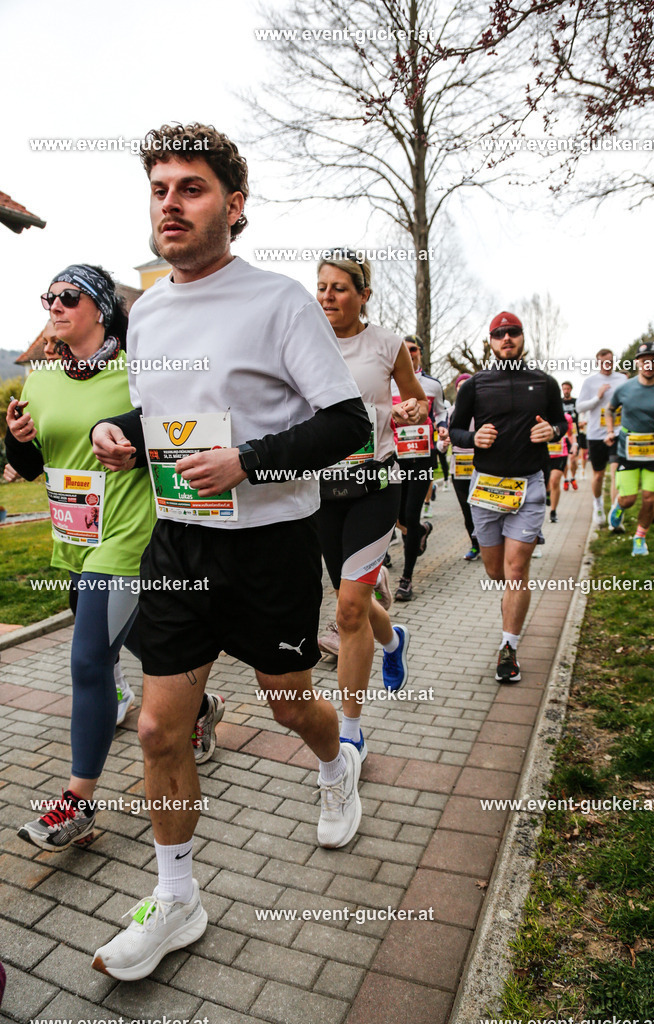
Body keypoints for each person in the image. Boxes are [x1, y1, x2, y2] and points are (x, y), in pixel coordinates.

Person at [89, 123, 371, 981]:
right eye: (159, 189)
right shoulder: (149, 312)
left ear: (234, 206)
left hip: (270, 547)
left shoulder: (279, 301)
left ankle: (338, 762)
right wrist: (121, 430)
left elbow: (344, 423)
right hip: (179, 543)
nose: (169, 204)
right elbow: (170, 412)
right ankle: (177, 899)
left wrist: (248, 461)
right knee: (156, 726)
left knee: (289, 705)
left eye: (191, 188)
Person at [4, 264, 156, 851]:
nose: (56, 306)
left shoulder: (136, 369)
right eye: (50, 296)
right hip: (72, 537)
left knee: (89, 661)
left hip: (126, 532)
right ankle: (196, 703)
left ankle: (77, 800)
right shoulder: (40, 377)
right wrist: (16, 437)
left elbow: (171, 429)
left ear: (101, 309)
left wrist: (133, 444)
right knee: (129, 638)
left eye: (69, 296)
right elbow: (39, 458)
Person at [315, 251, 427, 757]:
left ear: (363, 295)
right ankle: (394, 640)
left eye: (339, 288)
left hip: (374, 487)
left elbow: (416, 400)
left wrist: (408, 409)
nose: (328, 297)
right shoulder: (305, 343)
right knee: (351, 600)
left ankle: (351, 730)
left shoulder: (387, 343)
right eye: (321, 287)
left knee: (349, 611)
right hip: (320, 492)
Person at [450, 311, 566, 682]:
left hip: (530, 485)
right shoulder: (476, 385)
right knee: (496, 571)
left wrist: (552, 430)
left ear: (521, 337)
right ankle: (515, 583)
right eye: (499, 334)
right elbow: (453, 429)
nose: (506, 338)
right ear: (491, 341)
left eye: (513, 332)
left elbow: (562, 424)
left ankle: (508, 648)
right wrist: (472, 439)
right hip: (487, 487)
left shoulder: (544, 383)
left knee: (517, 571)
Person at [392, 335, 447, 600]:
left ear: (420, 354)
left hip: (423, 458)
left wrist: (444, 430)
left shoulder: (433, 385)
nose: (409, 353)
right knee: (397, 517)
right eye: (404, 349)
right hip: (394, 458)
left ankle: (406, 579)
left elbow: (441, 414)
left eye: (413, 349)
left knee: (410, 517)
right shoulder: (388, 383)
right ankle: (422, 531)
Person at [606, 342, 654, 555]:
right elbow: (610, 410)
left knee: (650, 498)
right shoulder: (624, 388)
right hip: (628, 450)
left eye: (653, 360)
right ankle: (619, 506)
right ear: (637, 363)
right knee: (629, 499)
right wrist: (609, 431)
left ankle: (640, 537)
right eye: (644, 360)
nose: (649, 364)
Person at [577, 350, 627, 525]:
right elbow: (579, 408)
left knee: (616, 473)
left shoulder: (622, 379)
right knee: (598, 475)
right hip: (596, 434)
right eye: (604, 362)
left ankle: (616, 513)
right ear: (598, 363)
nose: (608, 364)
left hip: (617, 432)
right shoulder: (590, 382)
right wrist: (597, 397)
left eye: (611, 361)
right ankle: (597, 504)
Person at [447, 373, 479, 560]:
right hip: (458, 466)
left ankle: (488, 542)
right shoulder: (450, 412)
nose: (463, 390)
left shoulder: (482, 410)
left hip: (479, 466)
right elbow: (444, 443)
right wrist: (443, 443)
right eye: (460, 387)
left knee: (480, 508)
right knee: (467, 510)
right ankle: (474, 545)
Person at [547, 412, 577, 523]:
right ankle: (547, 493)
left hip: (560, 453)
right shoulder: (540, 413)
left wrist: (574, 444)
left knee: (554, 480)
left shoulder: (566, 417)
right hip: (545, 453)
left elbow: (570, 433)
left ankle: (553, 511)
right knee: (546, 483)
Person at [560, 381, 580, 490]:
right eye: (564, 389)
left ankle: (573, 477)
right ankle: (566, 479)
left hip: (574, 432)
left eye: (568, 389)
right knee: (564, 458)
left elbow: (581, 414)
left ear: (571, 389)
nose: (566, 391)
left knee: (573, 458)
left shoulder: (576, 401)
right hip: (563, 433)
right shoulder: (559, 402)